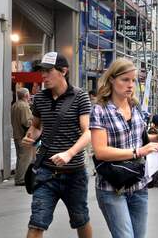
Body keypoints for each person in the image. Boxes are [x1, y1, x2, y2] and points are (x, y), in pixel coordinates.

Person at [89, 58, 158, 238]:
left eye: (133, 80)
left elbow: (140, 138)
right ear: (111, 79)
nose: (130, 85)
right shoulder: (100, 110)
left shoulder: (134, 106)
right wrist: (138, 152)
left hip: (138, 184)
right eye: (125, 80)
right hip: (112, 187)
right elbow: (100, 151)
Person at [21, 52, 93, 238]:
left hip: (74, 173)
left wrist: (69, 153)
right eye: (41, 71)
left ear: (63, 71)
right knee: (36, 222)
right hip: (46, 173)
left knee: (81, 219)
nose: (43, 75)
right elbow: (36, 126)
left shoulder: (80, 97)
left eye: (48, 71)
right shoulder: (39, 99)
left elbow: (87, 132)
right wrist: (31, 136)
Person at [11, 88, 34, 186]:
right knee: (25, 159)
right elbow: (26, 122)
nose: (29, 96)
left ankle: (19, 178)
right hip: (23, 136)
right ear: (26, 96)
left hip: (17, 135)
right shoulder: (24, 106)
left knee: (21, 158)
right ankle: (21, 179)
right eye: (29, 94)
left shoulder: (15, 105)